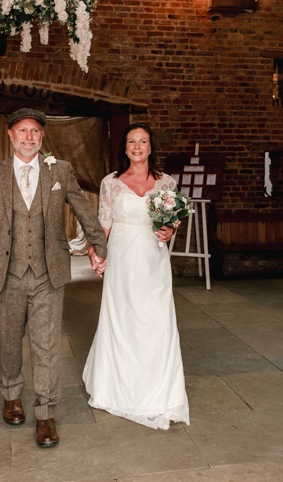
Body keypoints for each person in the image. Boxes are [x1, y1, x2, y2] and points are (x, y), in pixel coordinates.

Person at [0, 108, 108, 448]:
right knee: (9, 341)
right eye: (22, 131)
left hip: (48, 272)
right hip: (6, 272)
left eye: (34, 132)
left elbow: (83, 208)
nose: (28, 137)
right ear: (11, 136)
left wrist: (99, 245)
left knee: (46, 346)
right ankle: (12, 396)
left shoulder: (60, 170)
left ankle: (45, 415)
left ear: (42, 137)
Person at [82, 122, 190, 430]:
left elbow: (172, 221)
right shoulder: (111, 182)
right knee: (124, 318)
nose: (138, 146)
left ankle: (160, 391)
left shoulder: (166, 182)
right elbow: (104, 224)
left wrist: (171, 229)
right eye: (132, 142)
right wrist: (96, 252)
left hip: (153, 258)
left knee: (156, 320)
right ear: (125, 148)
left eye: (143, 141)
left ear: (151, 147)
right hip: (122, 258)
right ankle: (119, 388)